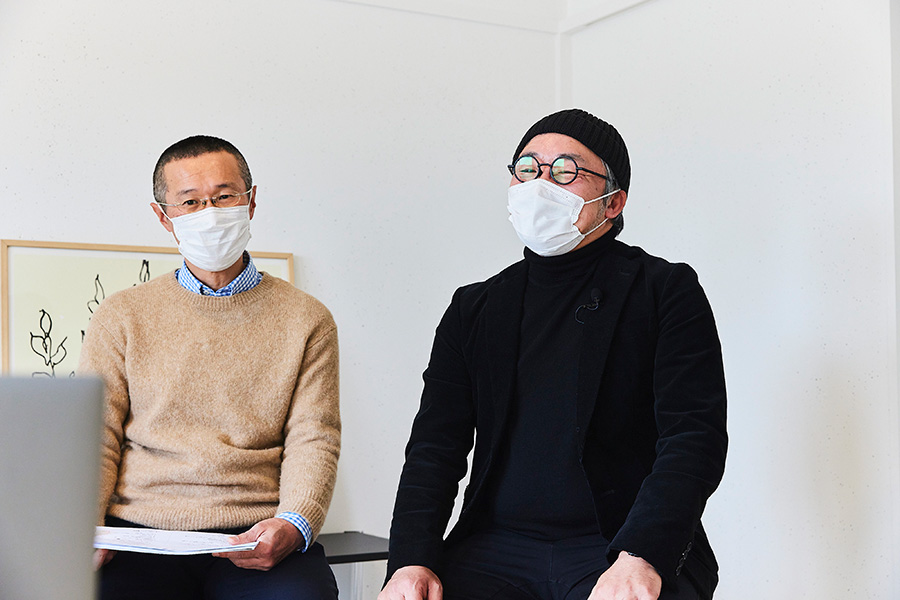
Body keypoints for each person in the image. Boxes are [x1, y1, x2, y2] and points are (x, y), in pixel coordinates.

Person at [379, 109, 727, 600]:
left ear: (613, 202)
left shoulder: (665, 291)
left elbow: (693, 437)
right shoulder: (474, 308)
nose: (541, 183)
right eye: (527, 168)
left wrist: (642, 556)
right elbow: (434, 448)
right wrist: (410, 560)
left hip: (618, 542)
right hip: (495, 547)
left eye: (565, 170)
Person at [79, 135, 341, 600]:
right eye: (191, 202)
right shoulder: (121, 315)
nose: (211, 213)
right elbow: (94, 434)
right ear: (164, 217)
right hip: (138, 532)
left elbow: (314, 436)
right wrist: (82, 526)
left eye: (224, 197)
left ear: (251, 201)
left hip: (256, 528)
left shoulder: (307, 318)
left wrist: (295, 522)